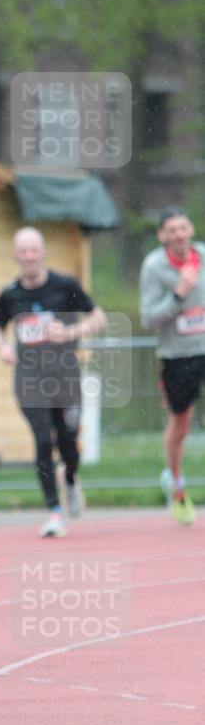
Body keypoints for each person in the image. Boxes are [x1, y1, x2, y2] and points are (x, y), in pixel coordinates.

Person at [0, 227, 106, 538]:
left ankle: (70, 477)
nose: (29, 256)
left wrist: (70, 334)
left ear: (42, 253)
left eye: (33, 250)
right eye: (23, 251)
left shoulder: (64, 286)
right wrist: (1, 347)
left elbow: (98, 317)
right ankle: (55, 512)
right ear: (16, 256)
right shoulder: (10, 293)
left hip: (65, 377)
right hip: (29, 380)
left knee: (69, 442)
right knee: (43, 441)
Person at [140, 207, 205, 525]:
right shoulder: (154, 267)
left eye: (183, 227)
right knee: (181, 422)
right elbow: (148, 317)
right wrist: (178, 295)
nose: (179, 234)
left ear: (191, 228)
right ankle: (176, 484)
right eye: (171, 230)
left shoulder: (204, 256)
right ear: (162, 236)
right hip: (178, 355)